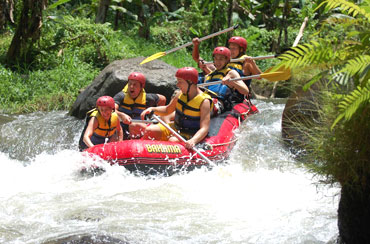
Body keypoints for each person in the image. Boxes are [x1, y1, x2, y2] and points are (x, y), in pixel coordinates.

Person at [140, 67, 212, 149]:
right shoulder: (180, 94)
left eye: (180, 82)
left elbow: (204, 128)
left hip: (191, 134)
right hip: (175, 127)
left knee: (173, 141)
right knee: (150, 130)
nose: (177, 85)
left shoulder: (204, 101)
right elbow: (167, 110)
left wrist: (193, 140)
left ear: (190, 82)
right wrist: (153, 109)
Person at [113, 72, 166, 139]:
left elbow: (162, 99)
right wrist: (121, 115)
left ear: (141, 87)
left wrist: (158, 116)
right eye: (130, 84)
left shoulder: (147, 98)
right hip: (122, 127)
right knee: (133, 125)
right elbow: (111, 109)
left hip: (138, 127)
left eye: (135, 85)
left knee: (137, 125)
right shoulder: (121, 96)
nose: (131, 87)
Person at [203, 46, 249, 111]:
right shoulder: (208, 76)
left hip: (220, 103)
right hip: (205, 100)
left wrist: (233, 82)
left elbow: (245, 91)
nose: (218, 62)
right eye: (216, 59)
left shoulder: (231, 73)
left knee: (205, 104)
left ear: (227, 60)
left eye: (221, 59)